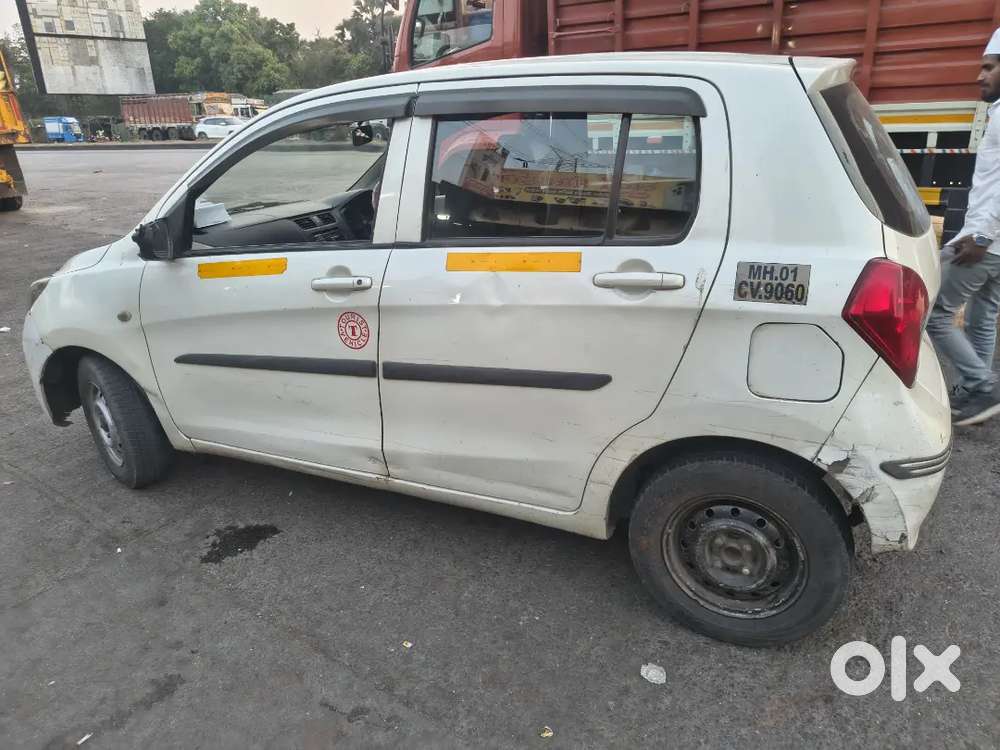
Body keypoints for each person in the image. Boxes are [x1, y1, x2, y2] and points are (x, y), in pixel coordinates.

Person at [926, 28, 1000, 426]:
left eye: (988, 67)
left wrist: (984, 236)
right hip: (996, 242)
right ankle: (979, 395)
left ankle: (982, 386)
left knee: (936, 312)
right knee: (982, 317)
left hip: (989, 240)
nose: (979, 76)